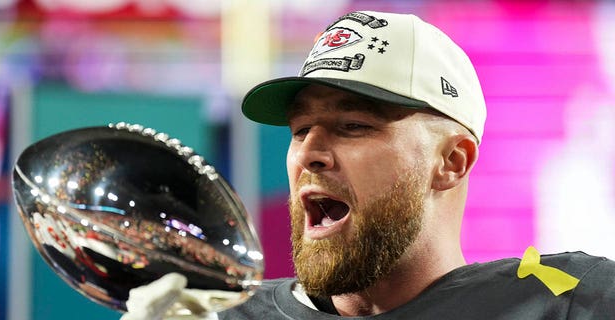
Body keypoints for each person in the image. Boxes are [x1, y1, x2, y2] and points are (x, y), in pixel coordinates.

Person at [122, 10, 615, 319]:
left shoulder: (572, 299)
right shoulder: (218, 314)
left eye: (353, 126)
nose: (308, 153)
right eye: (299, 130)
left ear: (451, 161)